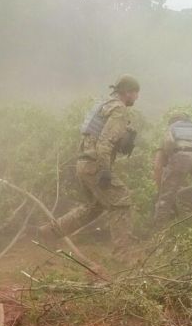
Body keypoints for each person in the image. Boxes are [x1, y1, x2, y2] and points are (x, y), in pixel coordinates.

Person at [54, 75, 140, 256]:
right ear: (127, 92)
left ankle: (49, 232)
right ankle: (122, 255)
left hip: (84, 162)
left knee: (95, 206)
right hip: (95, 165)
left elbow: (92, 138)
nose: (136, 97)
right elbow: (104, 143)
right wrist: (105, 170)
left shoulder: (103, 104)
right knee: (122, 200)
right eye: (135, 93)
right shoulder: (119, 109)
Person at [153, 111, 192, 224]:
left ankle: (159, 231)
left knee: (165, 198)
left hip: (181, 158)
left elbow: (157, 166)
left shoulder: (171, 130)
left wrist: (161, 190)